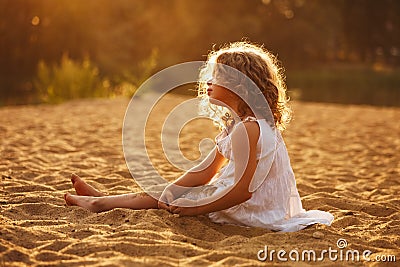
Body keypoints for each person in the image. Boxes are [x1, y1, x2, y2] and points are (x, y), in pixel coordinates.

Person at [64, 41, 333, 232]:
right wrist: (170, 190)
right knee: (166, 192)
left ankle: (99, 203)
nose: (208, 82)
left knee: (170, 196)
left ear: (238, 85)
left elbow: (243, 191)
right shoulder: (242, 124)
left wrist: (197, 208)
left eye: (217, 77)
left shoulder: (247, 129)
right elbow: (203, 171)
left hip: (253, 212)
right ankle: (103, 201)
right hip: (249, 202)